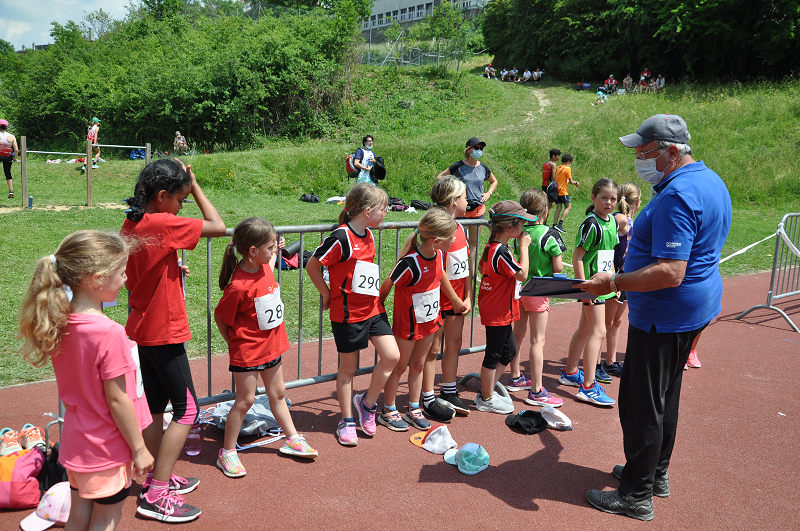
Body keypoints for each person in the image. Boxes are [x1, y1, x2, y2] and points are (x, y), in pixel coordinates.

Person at [582, 114, 732, 520]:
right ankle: (653, 474)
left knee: (642, 404)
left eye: (644, 152)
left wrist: (615, 280)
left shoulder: (677, 195)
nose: (638, 159)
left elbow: (670, 271)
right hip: (690, 309)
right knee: (665, 394)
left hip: (665, 315)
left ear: (671, 152)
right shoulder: (709, 180)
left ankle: (636, 494)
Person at [18, 231, 155, 529]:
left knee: (79, 514)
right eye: (122, 272)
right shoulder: (108, 332)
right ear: (97, 279)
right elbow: (117, 399)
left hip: (77, 443)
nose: (126, 279)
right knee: (106, 518)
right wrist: (139, 448)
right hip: (107, 446)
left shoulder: (59, 324)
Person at [121, 158, 226, 522]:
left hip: (143, 328)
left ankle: (153, 477)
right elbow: (218, 226)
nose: (182, 206)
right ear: (162, 196)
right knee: (188, 410)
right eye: (180, 199)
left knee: (155, 408)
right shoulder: (162, 223)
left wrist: (168, 268)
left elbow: (141, 268)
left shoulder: (132, 221)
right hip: (163, 330)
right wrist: (195, 186)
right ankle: (157, 493)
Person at [214, 217, 318, 478]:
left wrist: (275, 248)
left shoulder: (263, 266)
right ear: (252, 251)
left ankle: (292, 438)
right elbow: (221, 317)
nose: (274, 252)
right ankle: (227, 452)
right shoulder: (238, 286)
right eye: (270, 248)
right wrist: (234, 344)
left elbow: (270, 264)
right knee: (245, 401)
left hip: (272, 347)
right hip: (248, 352)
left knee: (278, 393)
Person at [306, 183, 400, 446]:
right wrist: (326, 293)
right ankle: (346, 420)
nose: (386, 213)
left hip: (373, 309)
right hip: (348, 314)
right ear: (367, 211)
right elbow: (313, 266)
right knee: (349, 369)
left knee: (392, 356)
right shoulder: (340, 237)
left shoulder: (369, 234)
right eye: (383, 209)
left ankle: (367, 404)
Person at [378, 209, 468, 430]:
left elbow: (441, 275)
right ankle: (388, 409)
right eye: (450, 237)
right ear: (436, 240)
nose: (453, 240)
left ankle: (413, 407)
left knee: (418, 364)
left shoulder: (437, 255)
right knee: (400, 366)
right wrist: (377, 314)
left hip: (429, 321)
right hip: (408, 325)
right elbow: (387, 285)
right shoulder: (410, 263)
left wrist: (455, 300)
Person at [561, 178, 619, 406]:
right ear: (593, 198)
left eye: (613, 199)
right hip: (592, 287)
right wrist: (585, 290)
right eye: (604, 198)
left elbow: (608, 254)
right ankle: (588, 386)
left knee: (585, 329)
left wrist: (613, 282)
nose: (609, 203)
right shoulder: (591, 224)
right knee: (599, 331)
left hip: (604, 285)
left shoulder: (612, 222)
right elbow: (577, 257)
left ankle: (569, 372)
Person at [507, 189, 565, 407]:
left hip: (519, 287)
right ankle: (537, 390)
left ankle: (515, 376)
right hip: (539, 289)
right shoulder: (549, 234)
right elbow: (558, 267)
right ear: (545, 210)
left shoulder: (519, 233)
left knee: (518, 333)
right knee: (537, 340)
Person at [475, 200, 533, 414]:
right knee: (494, 353)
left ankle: (487, 390)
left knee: (509, 351)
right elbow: (522, 274)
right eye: (521, 224)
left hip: (500, 308)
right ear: (509, 226)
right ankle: (486, 398)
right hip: (497, 310)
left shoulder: (494, 247)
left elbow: (482, 269)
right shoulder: (500, 251)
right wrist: (524, 247)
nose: (524, 229)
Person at [422, 177, 473, 418]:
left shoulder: (461, 228)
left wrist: (468, 295)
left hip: (458, 300)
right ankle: (427, 397)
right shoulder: (438, 230)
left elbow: (465, 265)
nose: (467, 201)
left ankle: (449, 391)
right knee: (432, 349)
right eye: (464, 197)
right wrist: (453, 299)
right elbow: (438, 270)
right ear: (454, 201)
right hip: (438, 300)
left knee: (455, 343)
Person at [437, 137, 498, 271]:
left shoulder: (483, 167)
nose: (479, 151)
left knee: (473, 243)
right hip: (461, 211)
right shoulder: (458, 166)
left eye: (481, 148)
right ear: (469, 150)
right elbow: (440, 177)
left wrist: (488, 193)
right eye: (476, 148)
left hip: (478, 211)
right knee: (457, 242)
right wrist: (451, 192)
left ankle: (472, 272)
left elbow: (494, 181)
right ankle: (454, 270)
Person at [602, 183, 640, 378]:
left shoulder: (631, 221)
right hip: (614, 277)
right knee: (605, 323)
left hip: (626, 277)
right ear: (638, 202)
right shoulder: (620, 219)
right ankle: (596, 365)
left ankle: (610, 361)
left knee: (616, 321)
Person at [552, 152, 580, 233]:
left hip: (556, 190)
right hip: (562, 191)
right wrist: (576, 183)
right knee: (568, 206)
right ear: (568, 161)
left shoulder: (558, 167)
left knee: (558, 208)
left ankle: (554, 225)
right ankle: (560, 224)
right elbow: (570, 181)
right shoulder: (568, 169)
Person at [541, 148, 560, 225]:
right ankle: (544, 222)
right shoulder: (553, 164)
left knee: (545, 204)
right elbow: (553, 177)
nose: (558, 157)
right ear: (553, 156)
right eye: (557, 156)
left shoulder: (545, 164)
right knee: (549, 206)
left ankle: (541, 221)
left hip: (544, 185)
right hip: (550, 186)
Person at [0, 119, 18, 198]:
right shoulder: (11, 136)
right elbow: (16, 149)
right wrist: (15, 158)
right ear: (7, 127)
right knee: (8, 173)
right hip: (7, 157)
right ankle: (11, 191)